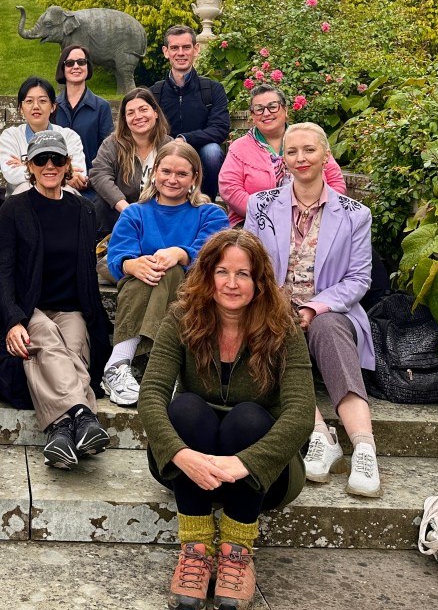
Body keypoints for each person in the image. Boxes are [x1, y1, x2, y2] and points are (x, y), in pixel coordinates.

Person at [138, 230, 315, 610]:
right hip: (193, 466)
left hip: (263, 473)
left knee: (249, 418)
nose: (231, 284)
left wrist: (244, 462)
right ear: (207, 274)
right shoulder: (182, 317)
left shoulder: (282, 326)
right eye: (222, 272)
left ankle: (236, 552)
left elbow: (301, 414)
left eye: (243, 274)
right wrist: (181, 455)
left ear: (259, 280)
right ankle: (196, 549)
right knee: (184, 407)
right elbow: (151, 394)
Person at [244, 122, 381, 498]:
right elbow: (251, 266)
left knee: (329, 329)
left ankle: (364, 447)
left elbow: (358, 279)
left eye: (309, 150)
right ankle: (320, 433)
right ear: (283, 158)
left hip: (330, 309)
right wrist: (277, 305)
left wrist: (314, 307)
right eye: (292, 152)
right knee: (269, 327)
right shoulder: (262, 206)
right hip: (271, 307)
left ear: (326, 155)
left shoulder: (355, 214)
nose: (300, 158)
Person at [0, 131, 112, 469]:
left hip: (72, 306)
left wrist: (94, 320)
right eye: (41, 159)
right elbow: (3, 271)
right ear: (29, 165)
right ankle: (83, 417)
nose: (49, 165)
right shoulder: (13, 209)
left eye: (56, 159)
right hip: (29, 308)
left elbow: (89, 270)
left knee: (74, 346)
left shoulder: (85, 211)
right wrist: (14, 319)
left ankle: (60, 431)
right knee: (43, 339)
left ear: (67, 164)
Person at [102, 140, 229, 406]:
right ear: (154, 172)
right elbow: (117, 255)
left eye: (182, 174)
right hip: (140, 286)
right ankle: (140, 368)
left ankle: (120, 360)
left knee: (168, 270)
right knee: (146, 271)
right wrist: (131, 265)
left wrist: (180, 254)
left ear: (195, 177)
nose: (173, 179)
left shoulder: (210, 214)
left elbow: (215, 252)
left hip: (192, 292)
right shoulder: (135, 213)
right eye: (166, 171)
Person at [220, 84, 346, 227]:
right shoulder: (239, 148)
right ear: (253, 116)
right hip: (256, 222)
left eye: (273, 106)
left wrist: (316, 212)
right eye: (259, 109)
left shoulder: (309, 138)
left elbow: (336, 182)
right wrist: (266, 215)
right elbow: (229, 188)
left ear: (285, 110)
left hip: (316, 220)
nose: (266, 113)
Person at [149, 25, 229, 200]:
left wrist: (185, 139)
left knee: (212, 152)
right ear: (166, 51)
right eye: (174, 48)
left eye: (186, 47)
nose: (181, 53)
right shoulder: (155, 93)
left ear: (196, 49)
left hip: (200, 152)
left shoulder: (212, 89)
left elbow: (220, 128)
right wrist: (171, 144)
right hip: (164, 150)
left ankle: (205, 202)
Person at [90, 87, 173, 233]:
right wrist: (126, 209)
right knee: (101, 202)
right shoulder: (112, 144)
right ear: (124, 119)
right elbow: (99, 174)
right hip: (122, 214)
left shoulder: (170, 146)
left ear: (155, 113)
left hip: (162, 213)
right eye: (131, 113)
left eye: (143, 109)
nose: (138, 116)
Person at [0, 76, 87, 196]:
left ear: (53, 107)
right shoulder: (10, 136)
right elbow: (11, 174)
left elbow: (79, 174)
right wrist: (62, 172)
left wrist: (26, 166)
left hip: (61, 198)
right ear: (20, 109)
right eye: (29, 101)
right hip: (22, 201)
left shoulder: (69, 136)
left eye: (43, 101)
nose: (36, 106)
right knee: (26, 187)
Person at [52, 44, 114, 178]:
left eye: (81, 62)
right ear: (62, 68)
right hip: (56, 181)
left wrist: (88, 178)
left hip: (91, 183)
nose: (76, 66)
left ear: (88, 67)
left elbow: (107, 152)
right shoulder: (52, 107)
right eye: (69, 63)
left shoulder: (101, 107)